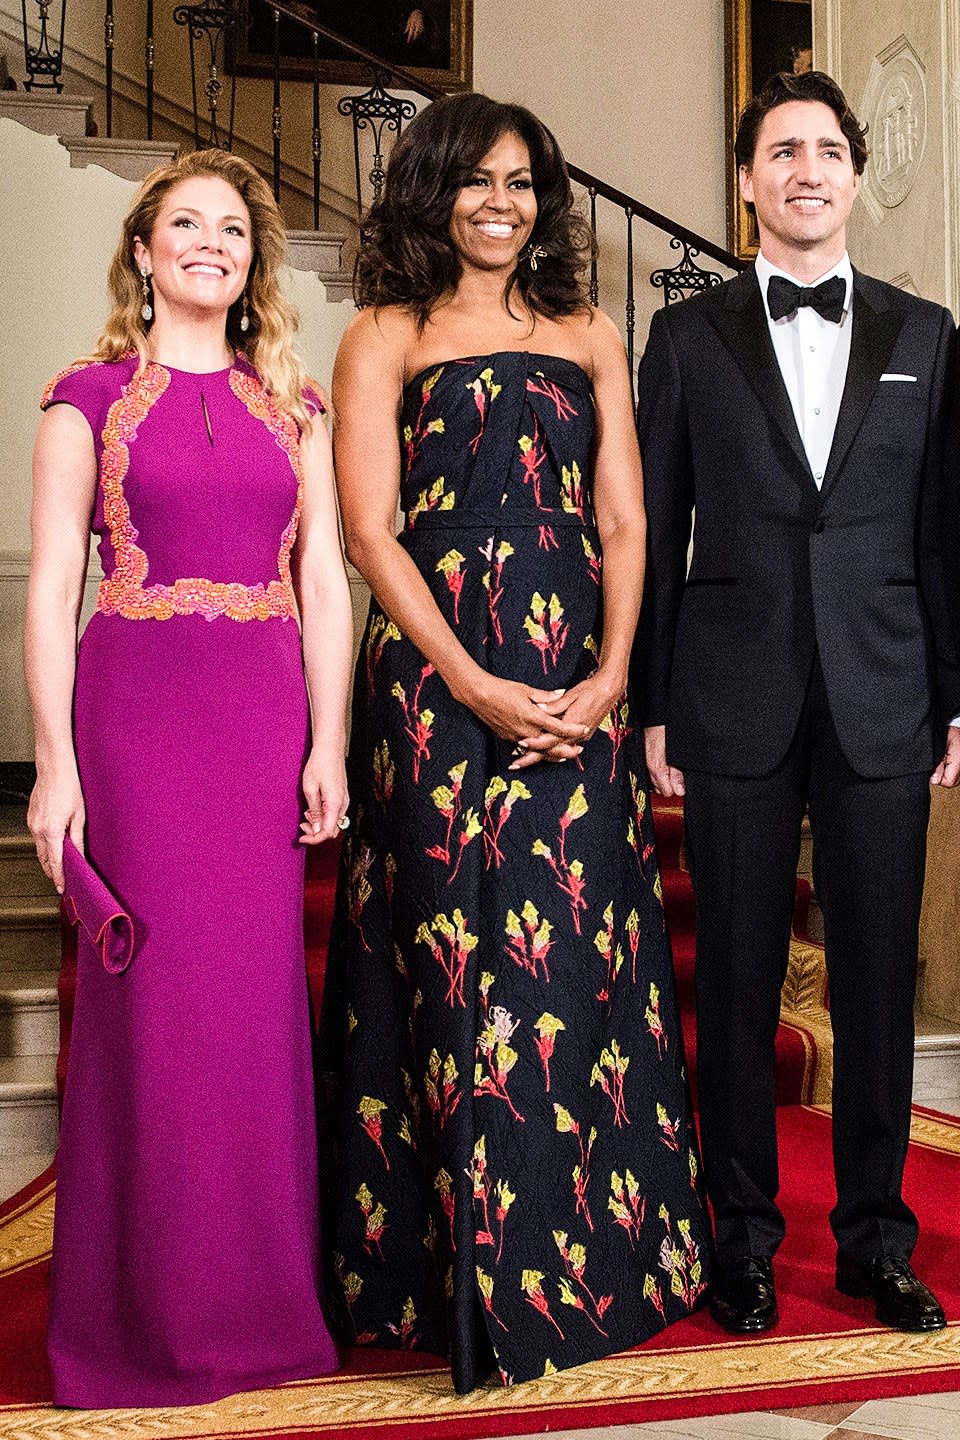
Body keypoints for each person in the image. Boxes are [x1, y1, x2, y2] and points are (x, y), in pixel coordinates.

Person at [319, 91, 711, 1394]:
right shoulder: (384, 331)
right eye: (478, 180)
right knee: (445, 973)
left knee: (563, 973)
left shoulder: (590, 330)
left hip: (570, 681)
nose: (503, 202)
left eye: (524, 182)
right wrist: (476, 684)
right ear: (431, 190)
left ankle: (581, 1266)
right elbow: (371, 532)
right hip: (435, 688)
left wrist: (608, 675)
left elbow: (631, 525)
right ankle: (441, 1284)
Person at [634, 69, 960, 1338]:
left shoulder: (927, 334)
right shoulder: (686, 338)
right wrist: (654, 702)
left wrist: (953, 697)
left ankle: (878, 1242)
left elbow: (944, 534)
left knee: (880, 974)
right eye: (782, 151)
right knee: (739, 979)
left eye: (828, 149)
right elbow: (658, 532)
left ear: (857, 175)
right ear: (748, 179)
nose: (807, 170)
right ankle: (742, 1242)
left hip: (886, 689)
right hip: (730, 692)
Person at [25, 148, 353, 1407]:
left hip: (260, 722)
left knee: (252, 1016)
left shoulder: (295, 410)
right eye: (186, 226)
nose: (211, 242)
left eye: (232, 227)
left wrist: (326, 739)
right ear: (146, 252)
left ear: (252, 259)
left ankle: (262, 1311)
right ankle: (139, 1323)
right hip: (138, 728)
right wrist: (57, 767)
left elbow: (324, 581)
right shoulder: (86, 396)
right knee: (152, 1013)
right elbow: (52, 592)